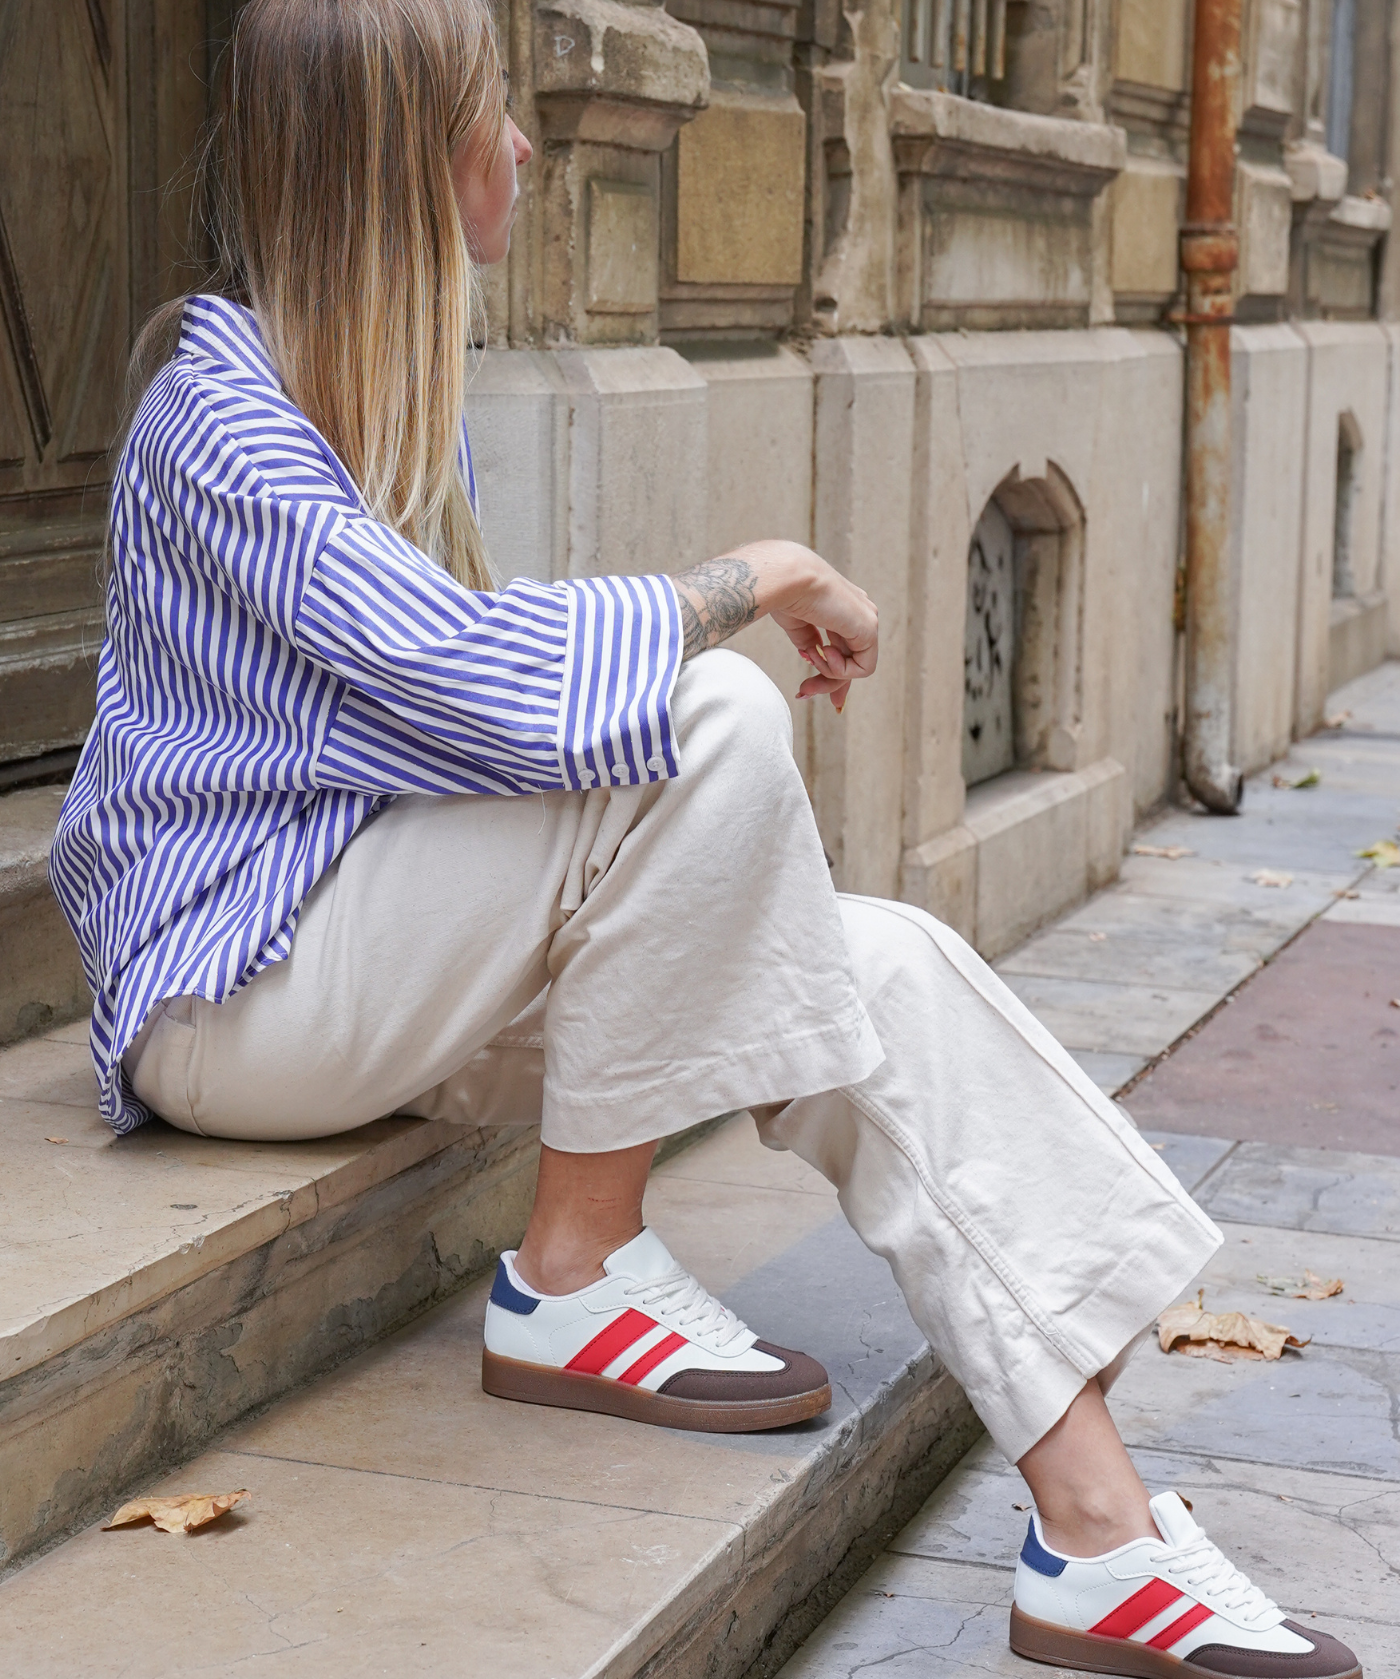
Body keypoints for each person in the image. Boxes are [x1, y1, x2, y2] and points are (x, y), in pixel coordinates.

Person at [49, 3, 1359, 1675]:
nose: (524, 146)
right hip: (229, 998)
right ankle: (576, 1267)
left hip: (369, 945)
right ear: (396, 163)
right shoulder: (212, 418)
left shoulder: (374, 389)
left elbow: (450, 693)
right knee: (713, 714)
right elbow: (466, 677)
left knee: (871, 965)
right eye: (490, 114)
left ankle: (1096, 1526)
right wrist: (762, 575)